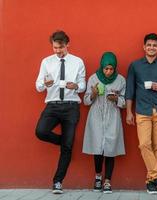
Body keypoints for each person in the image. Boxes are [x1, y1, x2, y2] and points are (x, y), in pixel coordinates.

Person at [125, 33, 157, 194]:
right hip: (142, 110)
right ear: (144, 47)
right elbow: (130, 91)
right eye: (149, 45)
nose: (152, 47)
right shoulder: (135, 66)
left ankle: (151, 182)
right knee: (144, 144)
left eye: (155, 45)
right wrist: (128, 112)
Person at [35, 30, 86, 194]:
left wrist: (76, 86)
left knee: (67, 148)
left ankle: (57, 182)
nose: (57, 51)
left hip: (71, 106)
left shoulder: (78, 62)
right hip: (53, 105)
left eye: (61, 47)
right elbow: (38, 86)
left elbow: (83, 85)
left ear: (67, 44)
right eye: (55, 47)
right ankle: (64, 141)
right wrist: (45, 83)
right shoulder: (46, 62)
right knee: (41, 131)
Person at [82, 52, 126, 194]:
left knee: (110, 149)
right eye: (106, 69)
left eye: (111, 69)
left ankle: (108, 181)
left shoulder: (120, 80)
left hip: (112, 117)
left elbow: (124, 103)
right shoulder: (93, 78)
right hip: (96, 117)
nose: (108, 72)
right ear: (101, 67)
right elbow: (86, 101)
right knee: (97, 148)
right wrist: (93, 94)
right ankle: (98, 177)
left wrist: (116, 99)